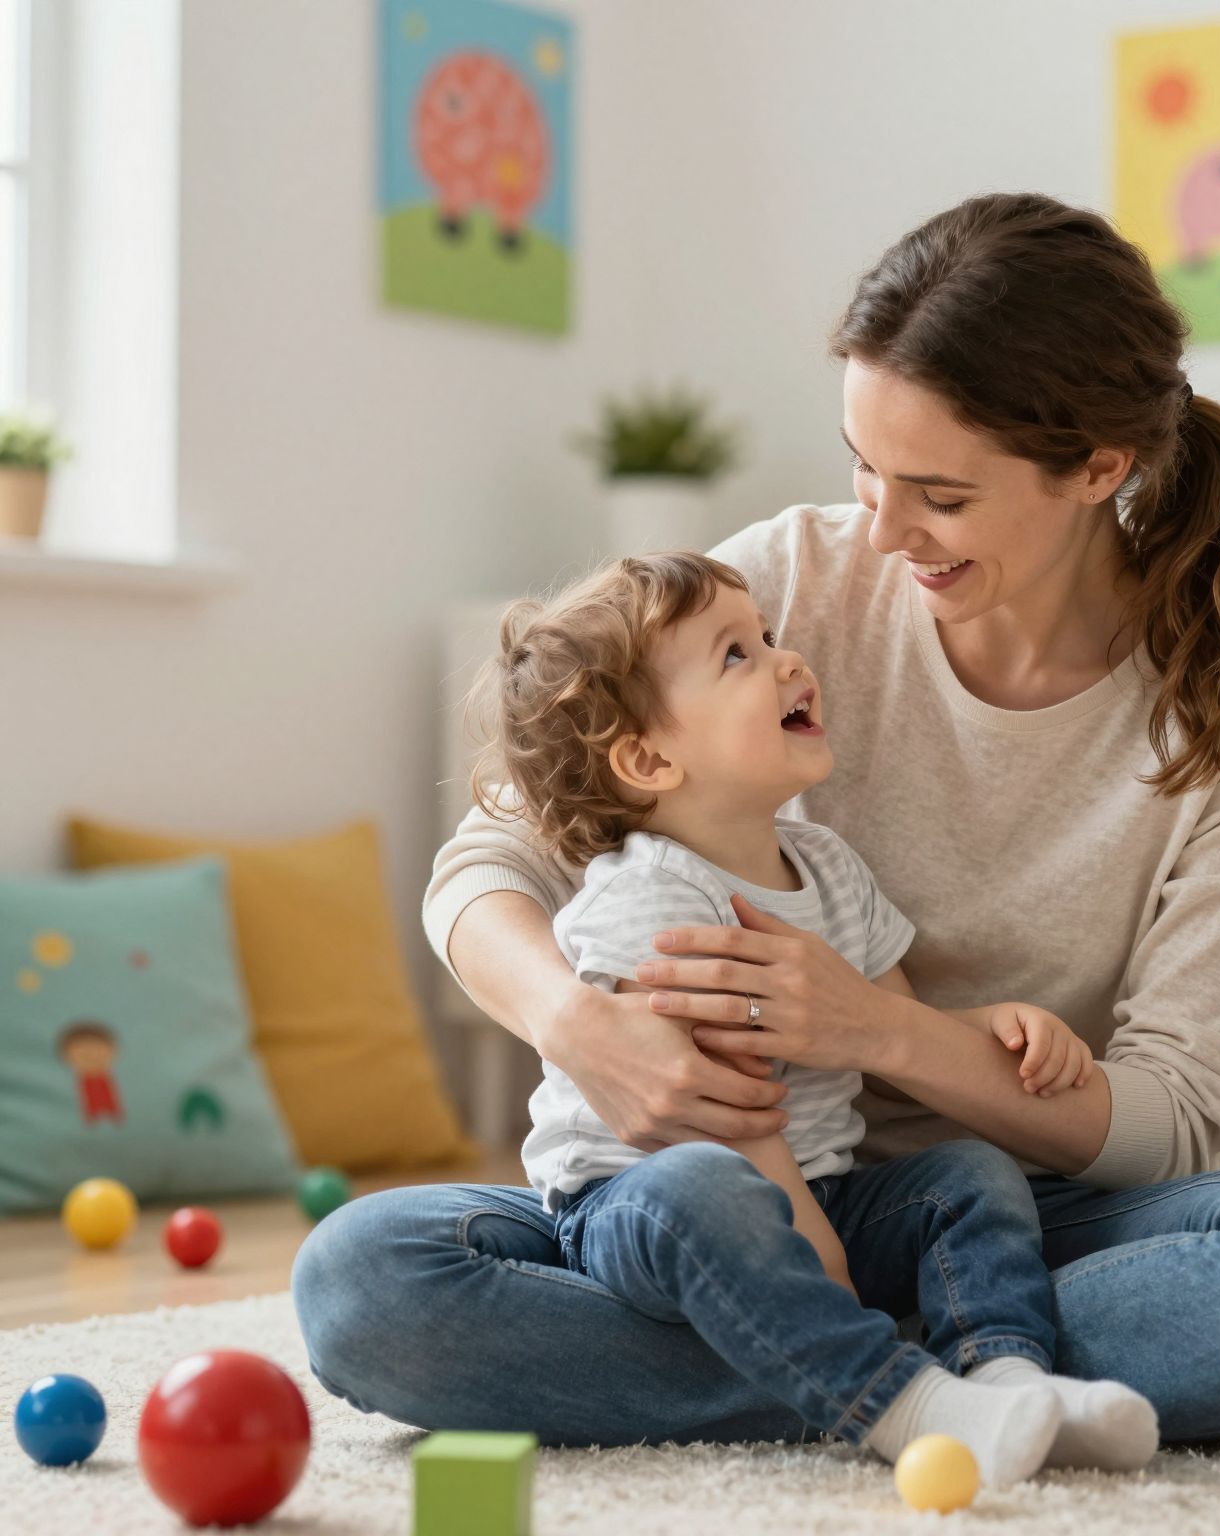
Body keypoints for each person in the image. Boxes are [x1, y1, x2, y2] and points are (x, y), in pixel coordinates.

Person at [291, 190, 1220, 1451]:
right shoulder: (783, 580)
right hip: (715, 1210)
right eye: (864, 467)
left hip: (1003, 1216)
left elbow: (1173, 1122)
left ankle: (842, 1363)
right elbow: (488, 860)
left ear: (1098, 468)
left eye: (939, 494)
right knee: (364, 1280)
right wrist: (579, 1025)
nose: (884, 533)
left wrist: (877, 1028)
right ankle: (949, 1379)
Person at [453, 548, 1155, 1483]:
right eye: (736, 655)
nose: (788, 659)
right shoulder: (647, 896)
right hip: (645, 1208)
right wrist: (802, 1236)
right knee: (700, 1190)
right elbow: (710, 1109)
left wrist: (1006, 1026)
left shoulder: (827, 866)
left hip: (818, 1189)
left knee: (970, 1175)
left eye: (769, 635)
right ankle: (903, 1405)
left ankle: (1011, 1378)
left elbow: (897, 1028)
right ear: (649, 758)